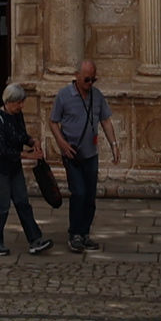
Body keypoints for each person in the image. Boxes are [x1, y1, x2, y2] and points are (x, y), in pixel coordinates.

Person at [0, 82, 50, 256]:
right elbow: (1, 150)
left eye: (22, 102)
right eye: (18, 102)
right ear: (9, 102)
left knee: (22, 202)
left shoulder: (17, 116)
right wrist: (27, 155)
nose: (21, 106)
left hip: (13, 167)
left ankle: (35, 240)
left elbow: (20, 135)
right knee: (2, 206)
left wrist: (32, 142)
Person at [48, 59, 109, 254]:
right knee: (79, 192)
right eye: (87, 80)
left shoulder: (96, 96)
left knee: (90, 196)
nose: (90, 84)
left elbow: (106, 120)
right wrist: (62, 143)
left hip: (91, 154)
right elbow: (53, 122)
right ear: (77, 77)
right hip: (72, 154)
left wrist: (114, 145)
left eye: (93, 80)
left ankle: (84, 233)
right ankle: (74, 233)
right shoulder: (64, 96)